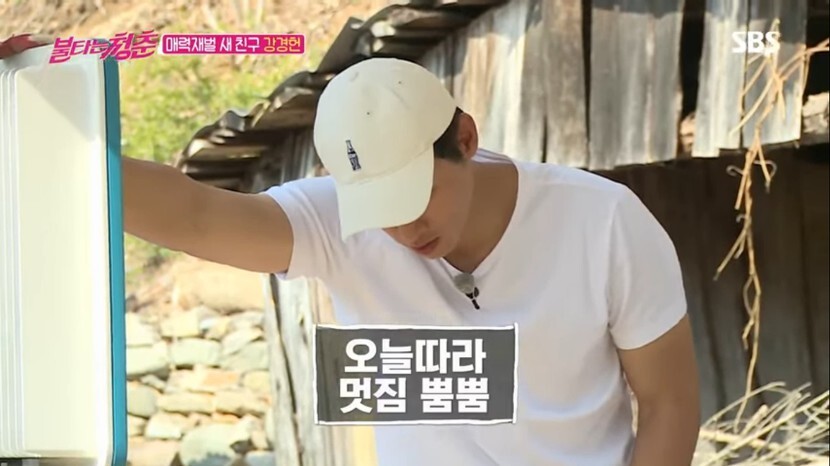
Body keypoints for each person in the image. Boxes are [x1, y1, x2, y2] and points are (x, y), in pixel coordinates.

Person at [2, 34, 701, 466]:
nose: (405, 230)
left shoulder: (603, 221)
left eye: (416, 197)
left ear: (464, 138)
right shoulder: (339, 226)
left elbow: (669, 402)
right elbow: (197, 214)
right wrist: (41, 121)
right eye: (382, 209)